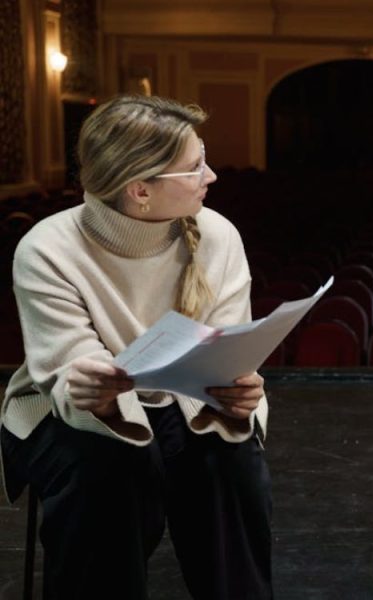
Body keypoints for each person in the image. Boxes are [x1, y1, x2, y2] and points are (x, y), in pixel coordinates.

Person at [0, 95, 273, 599]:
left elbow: (227, 351)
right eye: (194, 167)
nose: (211, 176)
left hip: (184, 399)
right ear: (139, 190)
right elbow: (68, 373)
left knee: (229, 462)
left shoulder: (218, 235)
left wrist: (238, 393)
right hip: (66, 409)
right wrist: (98, 392)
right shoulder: (46, 247)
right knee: (111, 469)